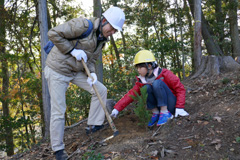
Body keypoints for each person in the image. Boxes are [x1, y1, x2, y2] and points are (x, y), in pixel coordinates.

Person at [44, 6, 125, 160]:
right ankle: (58, 150)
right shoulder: (84, 26)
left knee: (100, 89)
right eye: (112, 28)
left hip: (75, 71)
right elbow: (53, 33)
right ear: (104, 21)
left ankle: (93, 125)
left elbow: (92, 59)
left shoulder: (102, 40)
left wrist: (92, 72)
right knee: (59, 110)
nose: (113, 32)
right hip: (58, 69)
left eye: (116, 30)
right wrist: (72, 51)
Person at [110, 50, 189, 127]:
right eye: (137, 68)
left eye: (140, 67)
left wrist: (180, 107)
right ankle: (156, 113)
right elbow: (131, 94)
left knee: (157, 83)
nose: (138, 70)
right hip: (158, 106)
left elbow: (180, 89)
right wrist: (117, 109)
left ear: (149, 66)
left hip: (171, 104)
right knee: (146, 87)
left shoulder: (164, 73)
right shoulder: (142, 80)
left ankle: (165, 113)